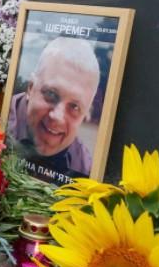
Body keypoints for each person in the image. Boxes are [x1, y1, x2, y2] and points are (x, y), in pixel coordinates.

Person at [7, 37, 101, 186]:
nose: (58, 116)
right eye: (51, 94)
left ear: (84, 115)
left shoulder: (84, 169)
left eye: (74, 107)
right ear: (30, 88)